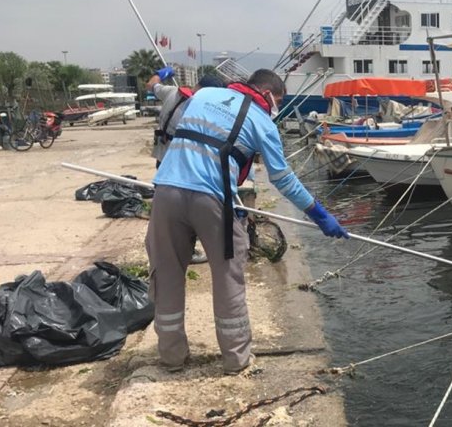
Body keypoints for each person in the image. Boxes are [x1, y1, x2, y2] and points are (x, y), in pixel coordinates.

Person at [145, 68, 348, 375]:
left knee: (167, 272)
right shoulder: (262, 122)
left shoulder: (204, 95)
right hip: (212, 200)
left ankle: (171, 357)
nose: (275, 107)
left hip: (166, 191)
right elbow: (284, 179)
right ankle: (236, 359)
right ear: (269, 94)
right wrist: (320, 215)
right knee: (228, 276)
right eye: (277, 100)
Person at [146, 67, 224, 265]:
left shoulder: (172, 92)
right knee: (188, 208)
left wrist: (162, 73)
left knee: (165, 205)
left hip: (162, 158)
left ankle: (164, 249)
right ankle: (187, 251)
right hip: (183, 162)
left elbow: (151, 85)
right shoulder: (200, 106)